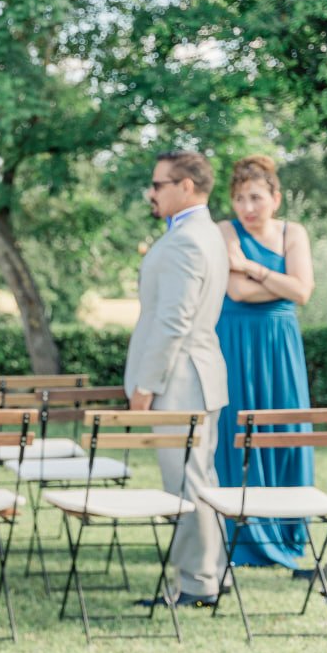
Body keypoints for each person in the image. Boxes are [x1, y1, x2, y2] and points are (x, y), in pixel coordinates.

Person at [125, 150, 229, 608]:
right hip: (199, 375)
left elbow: (173, 322)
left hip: (180, 380)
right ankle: (214, 573)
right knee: (201, 480)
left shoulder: (187, 240)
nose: (151, 192)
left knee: (185, 485)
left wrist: (146, 384)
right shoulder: (207, 233)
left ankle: (196, 582)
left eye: (158, 184)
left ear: (186, 186)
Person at [214, 155, 315, 568]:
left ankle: (287, 527)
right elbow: (237, 291)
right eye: (239, 199)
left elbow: (303, 292)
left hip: (280, 344)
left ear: (276, 197)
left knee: (286, 424)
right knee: (239, 426)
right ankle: (242, 532)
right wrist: (280, 283)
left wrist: (251, 267)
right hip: (235, 339)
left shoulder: (294, 232)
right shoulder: (224, 231)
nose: (247, 208)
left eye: (255, 197)